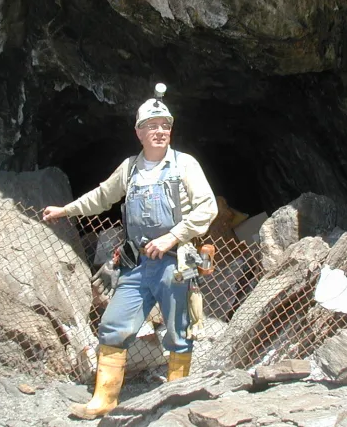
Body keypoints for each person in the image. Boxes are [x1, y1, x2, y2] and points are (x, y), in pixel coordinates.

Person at [42, 84, 218, 419]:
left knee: (179, 331)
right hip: (136, 263)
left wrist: (172, 237)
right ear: (139, 132)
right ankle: (104, 399)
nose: (159, 131)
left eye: (165, 125)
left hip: (176, 261)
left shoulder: (185, 165)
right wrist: (66, 210)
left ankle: (176, 402)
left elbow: (206, 209)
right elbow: (101, 196)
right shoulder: (129, 170)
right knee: (113, 325)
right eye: (152, 126)